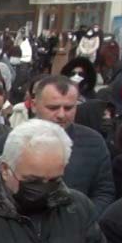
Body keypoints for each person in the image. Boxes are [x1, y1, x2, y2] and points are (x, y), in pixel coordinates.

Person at [30, 76, 115, 213]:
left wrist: (82, 221)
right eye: (53, 108)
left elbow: (104, 192)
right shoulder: (11, 142)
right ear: (34, 106)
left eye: (69, 108)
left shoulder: (94, 142)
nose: (61, 115)